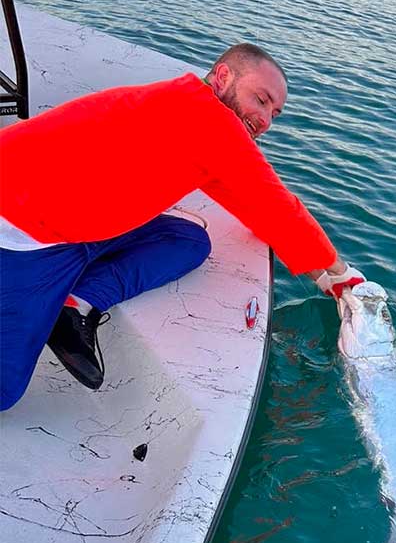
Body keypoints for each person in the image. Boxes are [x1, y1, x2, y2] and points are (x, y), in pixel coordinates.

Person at [0, 42, 364, 411]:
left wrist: (320, 276)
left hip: (71, 220)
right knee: (5, 390)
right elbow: (281, 208)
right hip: (20, 231)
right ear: (223, 77)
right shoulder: (211, 121)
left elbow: (256, 207)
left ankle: (76, 304)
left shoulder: (189, 108)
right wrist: (342, 274)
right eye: (261, 99)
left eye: (275, 113)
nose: (266, 119)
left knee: (187, 240)